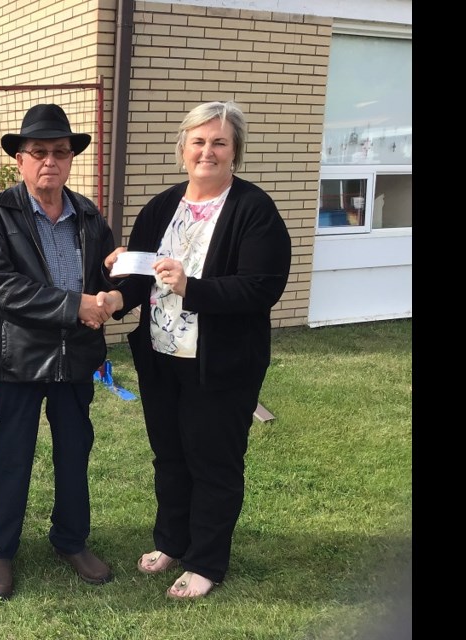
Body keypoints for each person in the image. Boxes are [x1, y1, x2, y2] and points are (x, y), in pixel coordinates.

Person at [104, 101, 292, 599]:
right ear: (184, 148)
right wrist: (114, 289)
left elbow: (261, 287)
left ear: (235, 152)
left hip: (222, 363)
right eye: (199, 141)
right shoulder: (162, 207)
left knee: (214, 461)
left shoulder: (254, 210)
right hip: (161, 356)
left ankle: (206, 560)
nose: (207, 151)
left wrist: (194, 287)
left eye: (220, 142)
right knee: (169, 455)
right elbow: (141, 279)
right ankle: (172, 541)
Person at [0, 104, 123, 600]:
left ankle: (71, 540)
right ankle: (0, 552)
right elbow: (0, 285)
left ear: (70, 158)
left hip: (77, 359)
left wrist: (114, 275)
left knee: (74, 453)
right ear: (20, 158)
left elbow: (100, 282)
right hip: (19, 358)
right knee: (11, 457)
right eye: (38, 152)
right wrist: (73, 304)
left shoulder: (88, 214)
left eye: (60, 152)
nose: (49, 161)